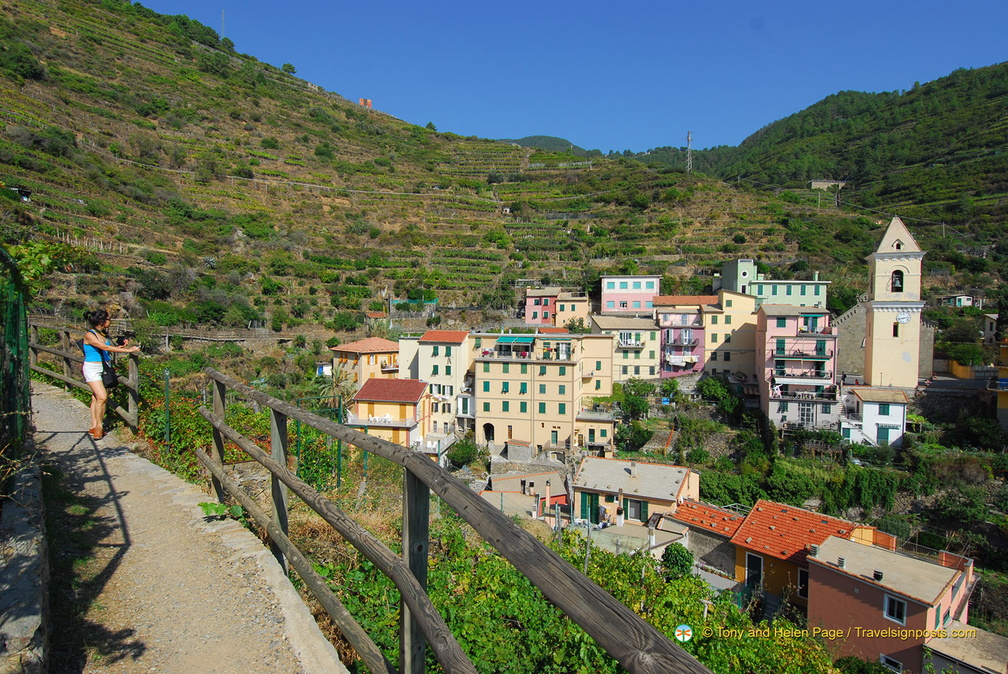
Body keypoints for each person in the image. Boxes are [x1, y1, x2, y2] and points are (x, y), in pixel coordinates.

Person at [82, 309, 140, 440]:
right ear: (102, 321)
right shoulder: (90, 335)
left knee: (96, 397)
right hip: (92, 368)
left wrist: (119, 348)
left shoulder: (102, 334)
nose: (110, 321)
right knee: (102, 397)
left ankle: (94, 424)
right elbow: (105, 348)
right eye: (109, 319)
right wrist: (128, 350)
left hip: (104, 367)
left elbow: (106, 350)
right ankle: (99, 428)